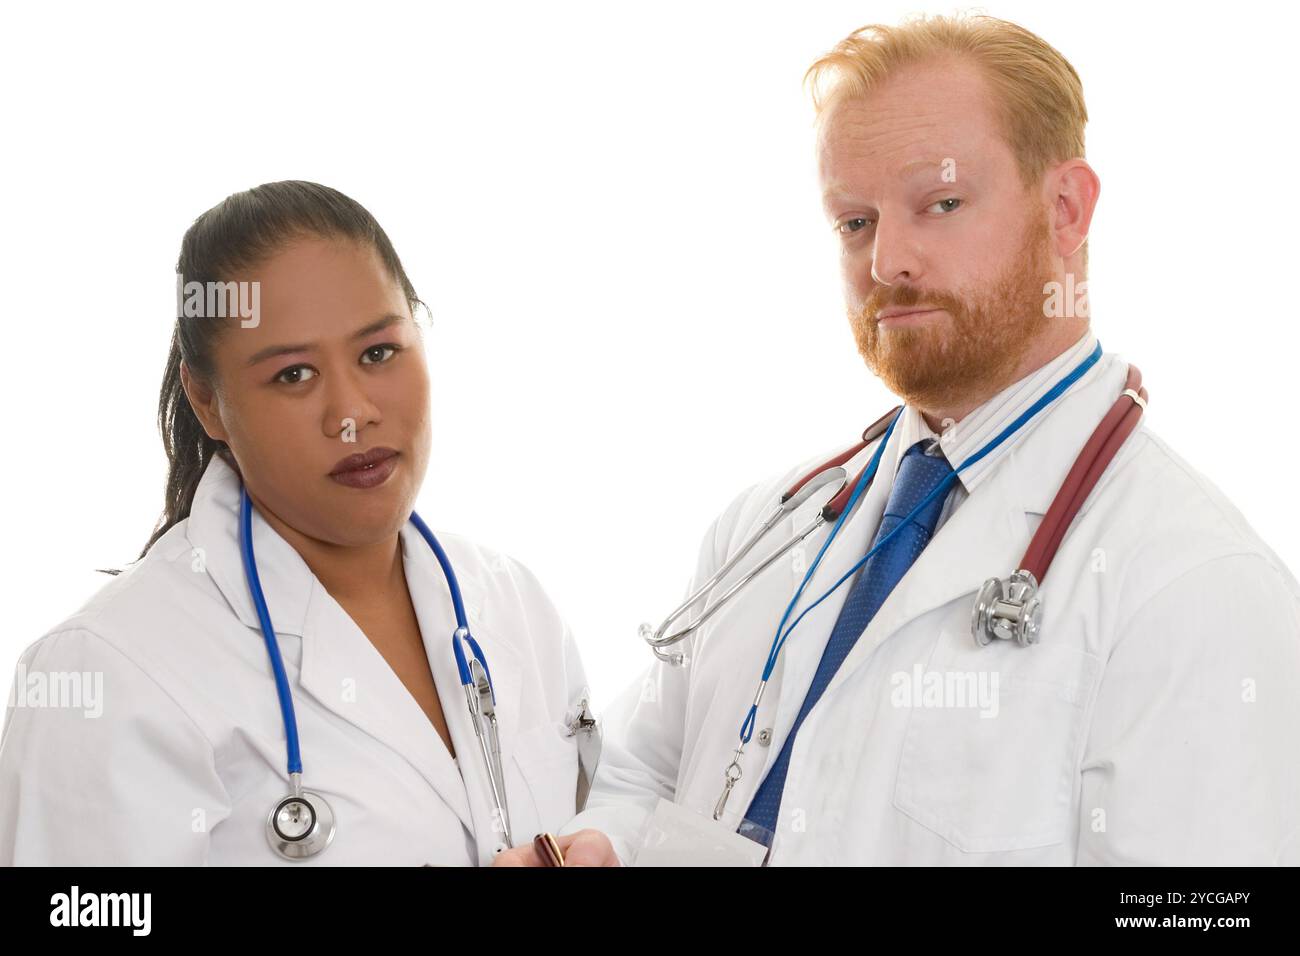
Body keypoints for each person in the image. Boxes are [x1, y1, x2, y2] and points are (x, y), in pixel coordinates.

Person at [499, 13, 1300, 866]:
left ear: (1065, 209)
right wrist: (605, 844)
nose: (887, 262)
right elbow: (643, 776)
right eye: (855, 221)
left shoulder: (1195, 587)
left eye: (941, 204)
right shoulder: (772, 525)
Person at [0, 180, 593, 865]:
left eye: (378, 353)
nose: (352, 414)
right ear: (207, 400)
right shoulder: (107, 673)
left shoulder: (514, 602)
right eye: (293, 375)